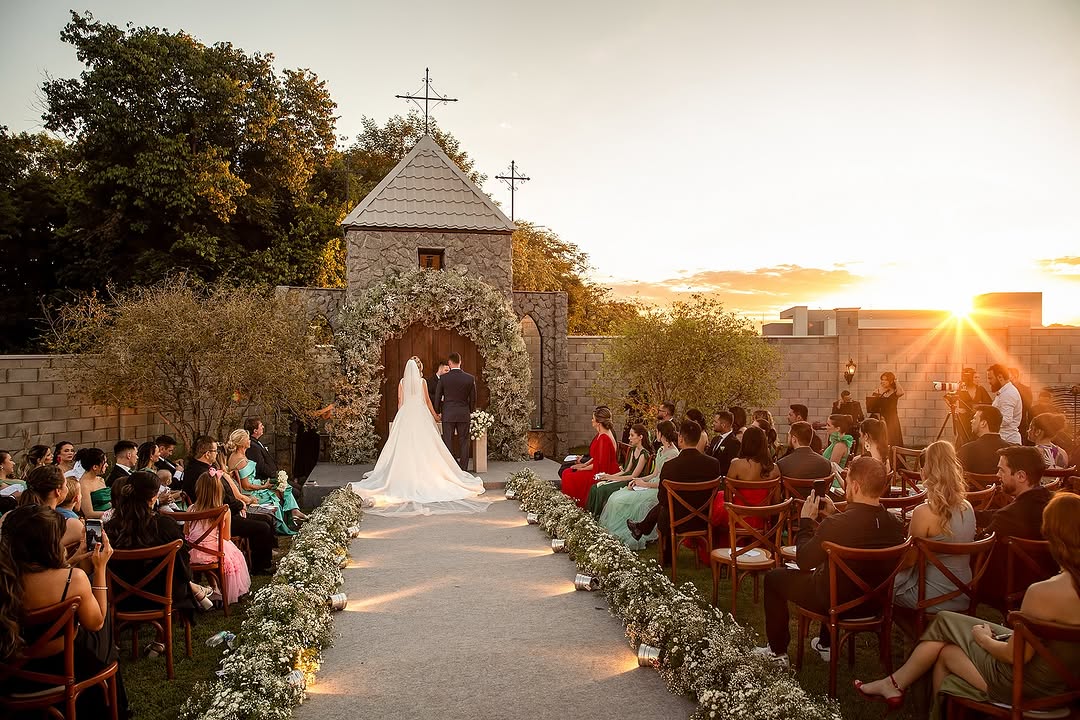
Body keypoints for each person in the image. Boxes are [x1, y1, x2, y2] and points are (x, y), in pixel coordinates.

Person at [855, 493, 1080, 718]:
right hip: (1068, 683)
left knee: (947, 652)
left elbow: (1013, 656)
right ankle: (895, 684)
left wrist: (984, 639)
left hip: (1028, 687)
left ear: (1052, 535)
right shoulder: (1062, 589)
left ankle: (901, 690)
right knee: (944, 621)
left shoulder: (1043, 593)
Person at [754, 457, 906, 664]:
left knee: (774, 579)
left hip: (835, 602)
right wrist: (835, 513)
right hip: (875, 603)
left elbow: (805, 560)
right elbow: (863, 528)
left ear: (855, 485)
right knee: (832, 573)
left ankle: (778, 652)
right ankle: (825, 644)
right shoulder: (896, 525)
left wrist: (806, 522)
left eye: (846, 480)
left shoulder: (836, 526)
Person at [0, 505, 130, 718]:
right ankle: (115, 705)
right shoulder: (73, 579)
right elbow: (96, 622)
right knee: (102, 627)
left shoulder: (6, 578)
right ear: (49, 542)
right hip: (62, 670)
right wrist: (100, 569)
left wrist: (73, 560)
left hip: (10, 674)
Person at [350, 358, 489, 516]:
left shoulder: (402, 383)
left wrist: (401, 417)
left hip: (406, 414)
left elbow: (400, 402)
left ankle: (403, 473)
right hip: (421, 414)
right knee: (426, 445)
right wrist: (435, 416)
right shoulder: (422, 382)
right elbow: (428, 401)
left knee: (404, 445)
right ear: (418, 369)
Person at [105, 470, 213, 614]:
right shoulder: (165, 525)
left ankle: (194, 589)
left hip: (121, 597)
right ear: (153, 498)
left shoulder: (110, 528)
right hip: (164, 594)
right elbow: (183, 564)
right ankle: (195, 590)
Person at [892, 441, 975, 612]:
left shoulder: (923, 513)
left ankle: (918, 634)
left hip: (930, 597)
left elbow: (909, 561)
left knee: (883, 590)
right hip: (964, 592)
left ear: (924, 473)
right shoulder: (968, 507)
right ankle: (928, 632)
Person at [625, 420, 721, 567]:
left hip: (676, 520)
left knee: (664, 508)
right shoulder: (713, 463)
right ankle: (642, 528)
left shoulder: (670, 466)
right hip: (704, 518)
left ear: (681, 439)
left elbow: (661, 498)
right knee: (665, 508)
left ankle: (665, 556)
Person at [185, 436, 277, 575]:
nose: (217, 454)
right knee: (262, 527)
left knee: (267, 519)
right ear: (207, 454)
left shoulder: (203, 468)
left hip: (223, 510)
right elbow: (220, 498)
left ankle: (266, 559)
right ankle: (260, 567)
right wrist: (239, 504)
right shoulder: (202, 474)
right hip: (216, 519)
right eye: (215, 451)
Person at [975, 446, 1051, 609]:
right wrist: (967, 514)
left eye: (1002, 470)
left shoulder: (1009, 517)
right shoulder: (1052, 504)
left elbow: (977, 550)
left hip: (1015, 593)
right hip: (1052, 585)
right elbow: (999, 514)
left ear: (1021, 476)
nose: (997, 475)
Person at [600, 420, 680, 549]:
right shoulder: (661, 449)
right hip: (652, 483)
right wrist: (639, 480)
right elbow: (654, 474)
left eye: (657, 432)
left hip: (659, 488)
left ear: (661, 433)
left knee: (626, 500)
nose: (655, 434)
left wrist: (645, 485)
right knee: (616, 497)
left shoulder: (673, 454)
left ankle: (635, 530)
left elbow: (664, 482)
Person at [186, 471, 251, 605]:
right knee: (230, 551)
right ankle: (219, 589)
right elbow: (226, 537)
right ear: (219, 490)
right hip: (215, 553)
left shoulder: (191, 509)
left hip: (193, 554)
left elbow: (186, 533)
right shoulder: (224, 510)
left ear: (198, 489)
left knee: (208, 550)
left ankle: (214, 588)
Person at [226, 429, 306, 534]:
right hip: (249, 493)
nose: (250, 441)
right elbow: (246, 486)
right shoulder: (241, 460)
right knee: (280, 490)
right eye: (248, 439)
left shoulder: (236, 456)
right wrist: (264, 486)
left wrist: (264, 484)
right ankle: (290, 516)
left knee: (283, 486)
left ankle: (294, 512)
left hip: (254, 486)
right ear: (242, 443)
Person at [710, 425, 780, 535]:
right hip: (763, 519)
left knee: (718, 499)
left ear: (745, 443)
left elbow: (728, 499)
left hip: (738, 518)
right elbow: (776, 502)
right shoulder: (774, 468)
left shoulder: (736, 465)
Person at [585, 423, 653, 518]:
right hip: (626, 476)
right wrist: (608, 476)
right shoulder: (633, 450)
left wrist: (612, 477)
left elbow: (633, 476)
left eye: (632, 435)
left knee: (602, 489)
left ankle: (596, 516)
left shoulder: (644, 454)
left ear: (640, 437)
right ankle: (589, 514)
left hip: (631, 480)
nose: (629, 438)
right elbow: (626, 470)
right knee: (594, 487)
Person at [560, 407, 620, 508]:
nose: (591, 420)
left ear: (598, 422)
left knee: (569, 475)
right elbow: (596, 457)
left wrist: (582, 468)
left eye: (593, 418)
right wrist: (584, 464)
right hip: (599, 468)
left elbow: (600, 464)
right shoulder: (601, 434)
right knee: (568, 471)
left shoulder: (604, 438)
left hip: (603, 472)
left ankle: (575, 504)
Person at [14, 465, 85, 548]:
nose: (67, 488)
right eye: (65, 484)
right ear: (58, 491)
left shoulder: (9, 517)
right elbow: (48, 557)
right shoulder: (71, 525)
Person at [434, 352, 478, 471]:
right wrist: (470, 410)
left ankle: (450, 468)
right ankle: (463, 469)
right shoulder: (469, 378)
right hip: (463, 413)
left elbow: (437, 397)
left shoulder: (444, 378)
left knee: (448, 441)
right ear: (460, 362)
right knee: (464, 441)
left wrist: (437, 411)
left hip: (448, 413)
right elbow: (473, 398)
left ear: (449, 363)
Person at [958, 405, 1012, 475]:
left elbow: (957, 477)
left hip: (973, 486)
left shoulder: (967, 449)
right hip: (1000, 486)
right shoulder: (1010, 451)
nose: (971, 421)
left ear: (983, 423)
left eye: (974, 418)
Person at [952, 368, 993, 446]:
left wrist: (979, 409)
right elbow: (948, 399)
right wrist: (957, 409)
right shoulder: (960, 388)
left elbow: (989, 403)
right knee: (963, 439)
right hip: (963, 419)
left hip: (976, 418)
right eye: (975, 377)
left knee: (975, 438)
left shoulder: (980, 389)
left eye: (979, 377)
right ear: (969, 378)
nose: (978, 379)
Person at [987, 364, 1022, 445]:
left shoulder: (1008, 394)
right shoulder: (1005, 392)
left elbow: (1006, 420)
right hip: (1005, 439)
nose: (989, 382)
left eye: (990, 378)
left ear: (1000, 377)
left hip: (1007, 440)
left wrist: (986, 420)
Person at [75, 447, 112, 520]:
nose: (107, 465)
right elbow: (89, 513)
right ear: (95, 467)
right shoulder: (83, 485)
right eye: (104, 463)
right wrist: (113, 514)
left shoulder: (101, 480)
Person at [871, 371, 906, 448]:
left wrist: (896, 381)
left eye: (885, 380)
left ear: (890, 381)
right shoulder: (877, 391)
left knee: (893, 440)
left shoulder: (895, 391)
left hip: (892, 419)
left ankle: (894, 458)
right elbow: (872, 406)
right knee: (882, 439)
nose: (883, 381)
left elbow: (901, 393)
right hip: (881, 418)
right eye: (882, 379)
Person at [705, 410, 741, 477]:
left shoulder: (734, 443)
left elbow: (730, 466)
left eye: (715, 422)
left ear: (723, 425)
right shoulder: (715, 439)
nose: (713, 424)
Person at [243, 417, 279, 483]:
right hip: (265, 480)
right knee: (296, 491)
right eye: (261, 426)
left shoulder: (256, 442)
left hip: (272, 476)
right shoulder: (252, 446)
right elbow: (260, 466)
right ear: (255, 431)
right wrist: (274, 475)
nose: (263, 427)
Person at [1009, 367, 1033, 444]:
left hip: (1020, 421)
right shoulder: (1005, 389)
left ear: (1015, 375)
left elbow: (1027, 406)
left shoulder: (1025, 389)